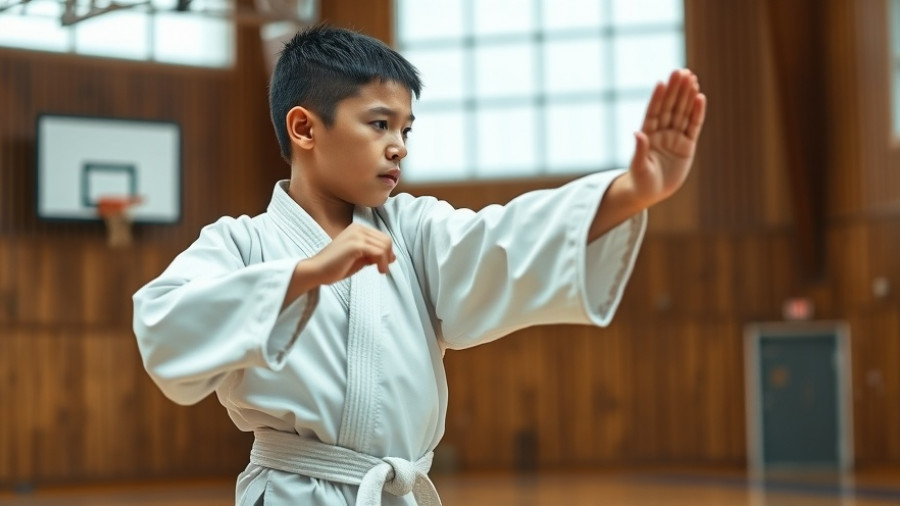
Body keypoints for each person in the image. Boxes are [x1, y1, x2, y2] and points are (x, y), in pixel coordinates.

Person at [132, 24, 706, 506]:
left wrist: (632, 192)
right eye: (379, 124)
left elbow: (505, 240)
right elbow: (164, 326)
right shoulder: (242, 244)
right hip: (291, 492)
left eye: (406, 129)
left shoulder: (412, 230)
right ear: (305, 127)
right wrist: (305, 274)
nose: (400, 146)